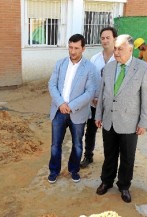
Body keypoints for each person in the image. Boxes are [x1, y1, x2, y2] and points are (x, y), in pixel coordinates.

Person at [95, 34, 147, 203]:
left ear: (130, 48)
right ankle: (106, 182)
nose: (116, 52)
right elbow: (102, 93)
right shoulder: (109, 67)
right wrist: (98, 114)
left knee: (127, 157)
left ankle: (124, 185)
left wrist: (144, 122)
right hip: (109, 120)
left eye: (120, 48)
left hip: (130, 122)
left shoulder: (143, 68)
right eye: (115, 48)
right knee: (109, 154)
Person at [47, 34, 100, 184]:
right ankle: (54, 171)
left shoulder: (90, 68)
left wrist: (71, 106)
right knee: (55, 144)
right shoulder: (60, 64)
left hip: (78, 112)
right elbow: (52, 85)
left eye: (76, 48)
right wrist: (61, 104)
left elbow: (90, 92)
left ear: (83, 49)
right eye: (70, 47)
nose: (72, 51)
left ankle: (74, 170)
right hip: (59, 111)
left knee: (77, 144)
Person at [80, 26, 117, 169]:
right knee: (90, 131)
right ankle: (88, 156)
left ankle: (110, 160)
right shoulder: (95, 59)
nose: (105, 40)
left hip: (111, 105)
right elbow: (89, 80)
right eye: (103, 38)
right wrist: (92, 98)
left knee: (110, 133)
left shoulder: (119, 58)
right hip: (95, 103)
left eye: (108, 37)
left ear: (114, 39)